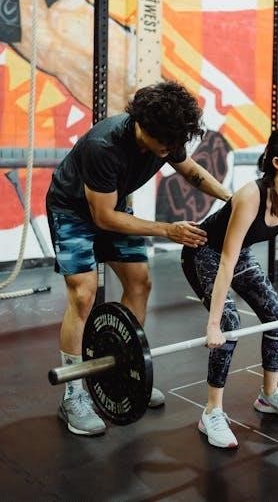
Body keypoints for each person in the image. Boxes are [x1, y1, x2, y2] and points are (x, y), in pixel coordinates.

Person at [46, 80, 231, 436]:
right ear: (142, 126)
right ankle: (73, 395)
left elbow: (191, 171)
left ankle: (121, 370)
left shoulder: (167, 137)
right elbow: (103, 218)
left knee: (139, 284)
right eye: (166, 144)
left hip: (112, 205)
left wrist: (233, 200)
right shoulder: (104, 146)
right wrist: (168, 230)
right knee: (83, 293)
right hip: (72, 210)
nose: (170, 151)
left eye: (175, 144)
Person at [181, 125, 278, 449]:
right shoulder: (250, 196)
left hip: (236, 253)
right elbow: (226, 261)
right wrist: (214, 324)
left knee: (276, 316)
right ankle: (211, 412)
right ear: (277, 162)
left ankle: (269, 395)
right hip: (204, 252)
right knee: (230, 323)